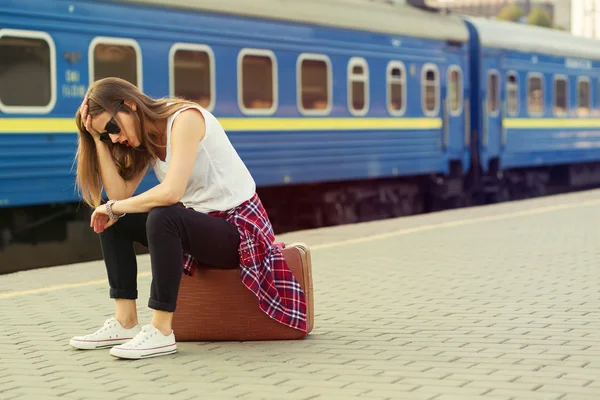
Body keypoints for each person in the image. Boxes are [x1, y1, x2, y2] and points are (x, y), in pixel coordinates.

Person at [69, 77, 307, 359]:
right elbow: (119, 196)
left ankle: (161, 331)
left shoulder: (184, 119)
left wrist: (114, 207)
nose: (115, 137)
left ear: (129, 104)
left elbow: (171, 192)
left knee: (162, 216)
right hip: (200, 226)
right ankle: (125, 322)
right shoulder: (146, 139)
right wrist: (98, 140)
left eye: (112, 127)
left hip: (240, 231)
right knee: (112, 217)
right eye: (108, 135)